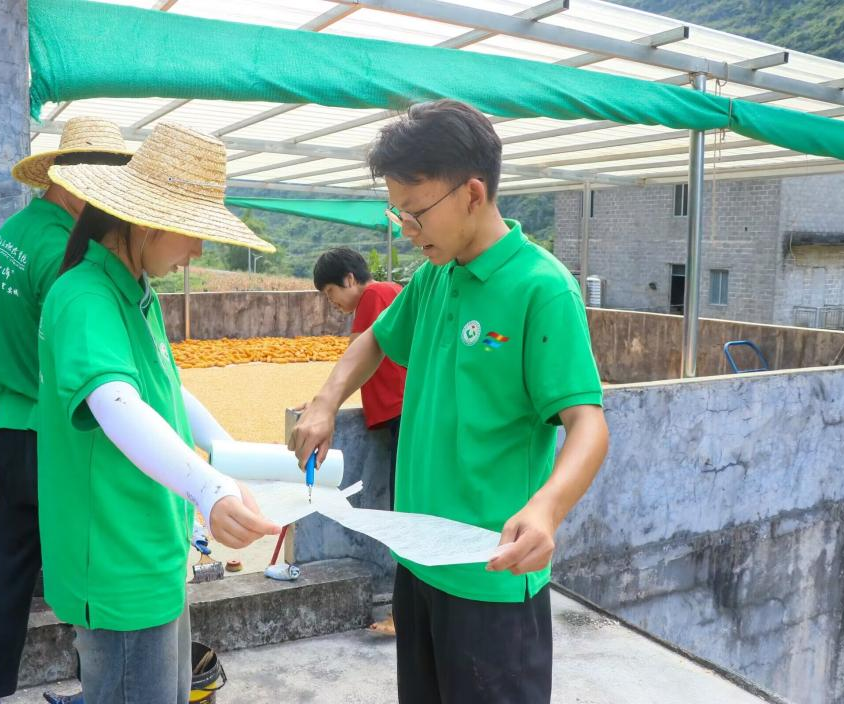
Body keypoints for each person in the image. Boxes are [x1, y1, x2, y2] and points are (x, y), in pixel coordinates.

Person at [289, 99, 609, 704]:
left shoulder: (541, 290)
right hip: (418, 564)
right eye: (398, 214)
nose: (406, 231)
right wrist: (326, 399)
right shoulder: (434, 278)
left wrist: (546, 509)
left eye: (415, 213)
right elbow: (374, 341)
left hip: (490, 578)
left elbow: (587, 423)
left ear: (471, 193)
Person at [38, 121, 280, 704]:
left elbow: (162, 390)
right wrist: (208, 487)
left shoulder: (136, 293)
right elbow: (116, 404)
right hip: (119, 558)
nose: (198, 250)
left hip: (151, 546)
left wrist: (225, 452)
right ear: (146, 222)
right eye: (192, 233)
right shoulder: (86, 297)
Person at [0, 117, 132, 704]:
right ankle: (102, 689)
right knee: (92, 564)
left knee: (8, 569)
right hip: (51, 436)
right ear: (72, 181)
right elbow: (79, 349)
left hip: (9, 426)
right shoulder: (71, 249)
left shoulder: (14, 230)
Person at [313, 247, 406, 635]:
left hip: (405, 415)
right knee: (408, 513)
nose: (332, 302)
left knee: (407, 518)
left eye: (331, 291)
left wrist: (326, 404)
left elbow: (360, 353)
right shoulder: (390, 293)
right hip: (403, 416)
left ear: (350, 279)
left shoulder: (374, 295)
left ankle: (405, 614)